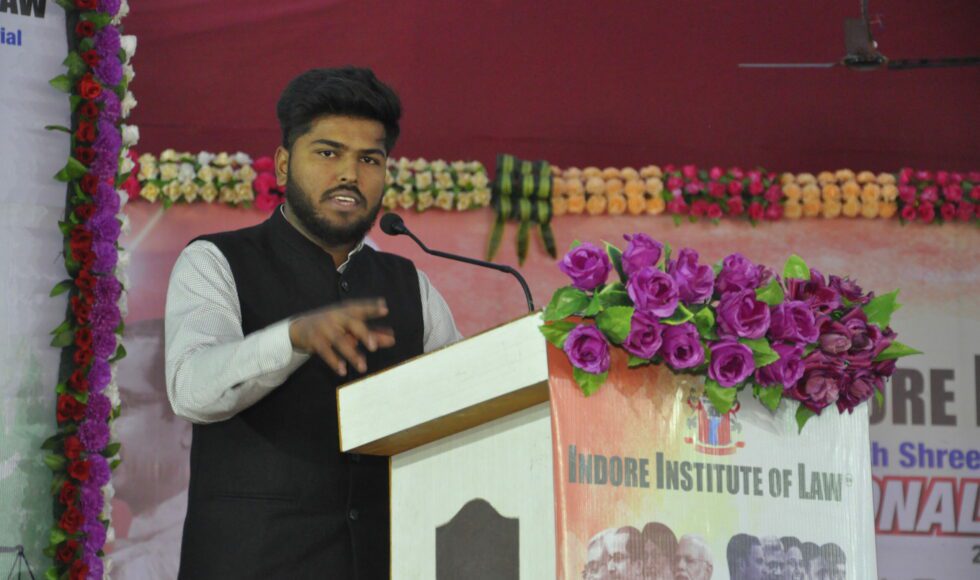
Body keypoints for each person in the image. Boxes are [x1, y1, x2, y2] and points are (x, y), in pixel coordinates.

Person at [165, 67, 461, 579]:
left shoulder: (410, 284)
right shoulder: (215, 261)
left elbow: (463, 396)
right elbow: (191, 389)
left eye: (369, 159)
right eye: (328, 153)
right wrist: (292, 338)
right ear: (284, 164)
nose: (349, 174)